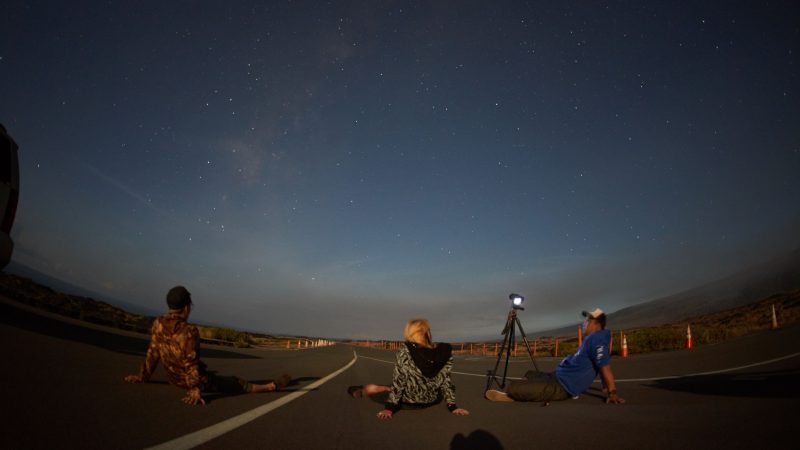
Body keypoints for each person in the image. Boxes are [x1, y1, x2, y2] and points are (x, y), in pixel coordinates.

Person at [124, 286, 291, 405]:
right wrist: (195, 389)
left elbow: (152, 352)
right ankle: (271, 386)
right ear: (187, 307)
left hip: (173, 379)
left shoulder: (158, 323)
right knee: (237, 384)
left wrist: (142, 376)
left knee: (212, 374)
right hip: (189, 382)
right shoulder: (189, 331)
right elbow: (191, 363)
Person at [485, 308, 625, 404]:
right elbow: (599, 364)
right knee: (530, 373)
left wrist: (612, 392)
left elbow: (604, 366)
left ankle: (515, 395)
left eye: (587, 321)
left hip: (562, 387)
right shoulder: (593, 339)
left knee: (515, 388)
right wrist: (604, 386)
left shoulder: (597, 340)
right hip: (556, 376)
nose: (584, 323)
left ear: (595, 324)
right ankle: (531, 388)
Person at [347, 319, 470, 418]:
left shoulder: (405, 351)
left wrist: (389, 409)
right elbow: (446, 380)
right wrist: (452, 406)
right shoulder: (444, 351)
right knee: (398, 388)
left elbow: (400, 380)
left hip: (407, 401)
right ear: (428, 333)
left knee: (383, 391)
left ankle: (372, 388)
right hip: (432, 399)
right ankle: (385, 388)